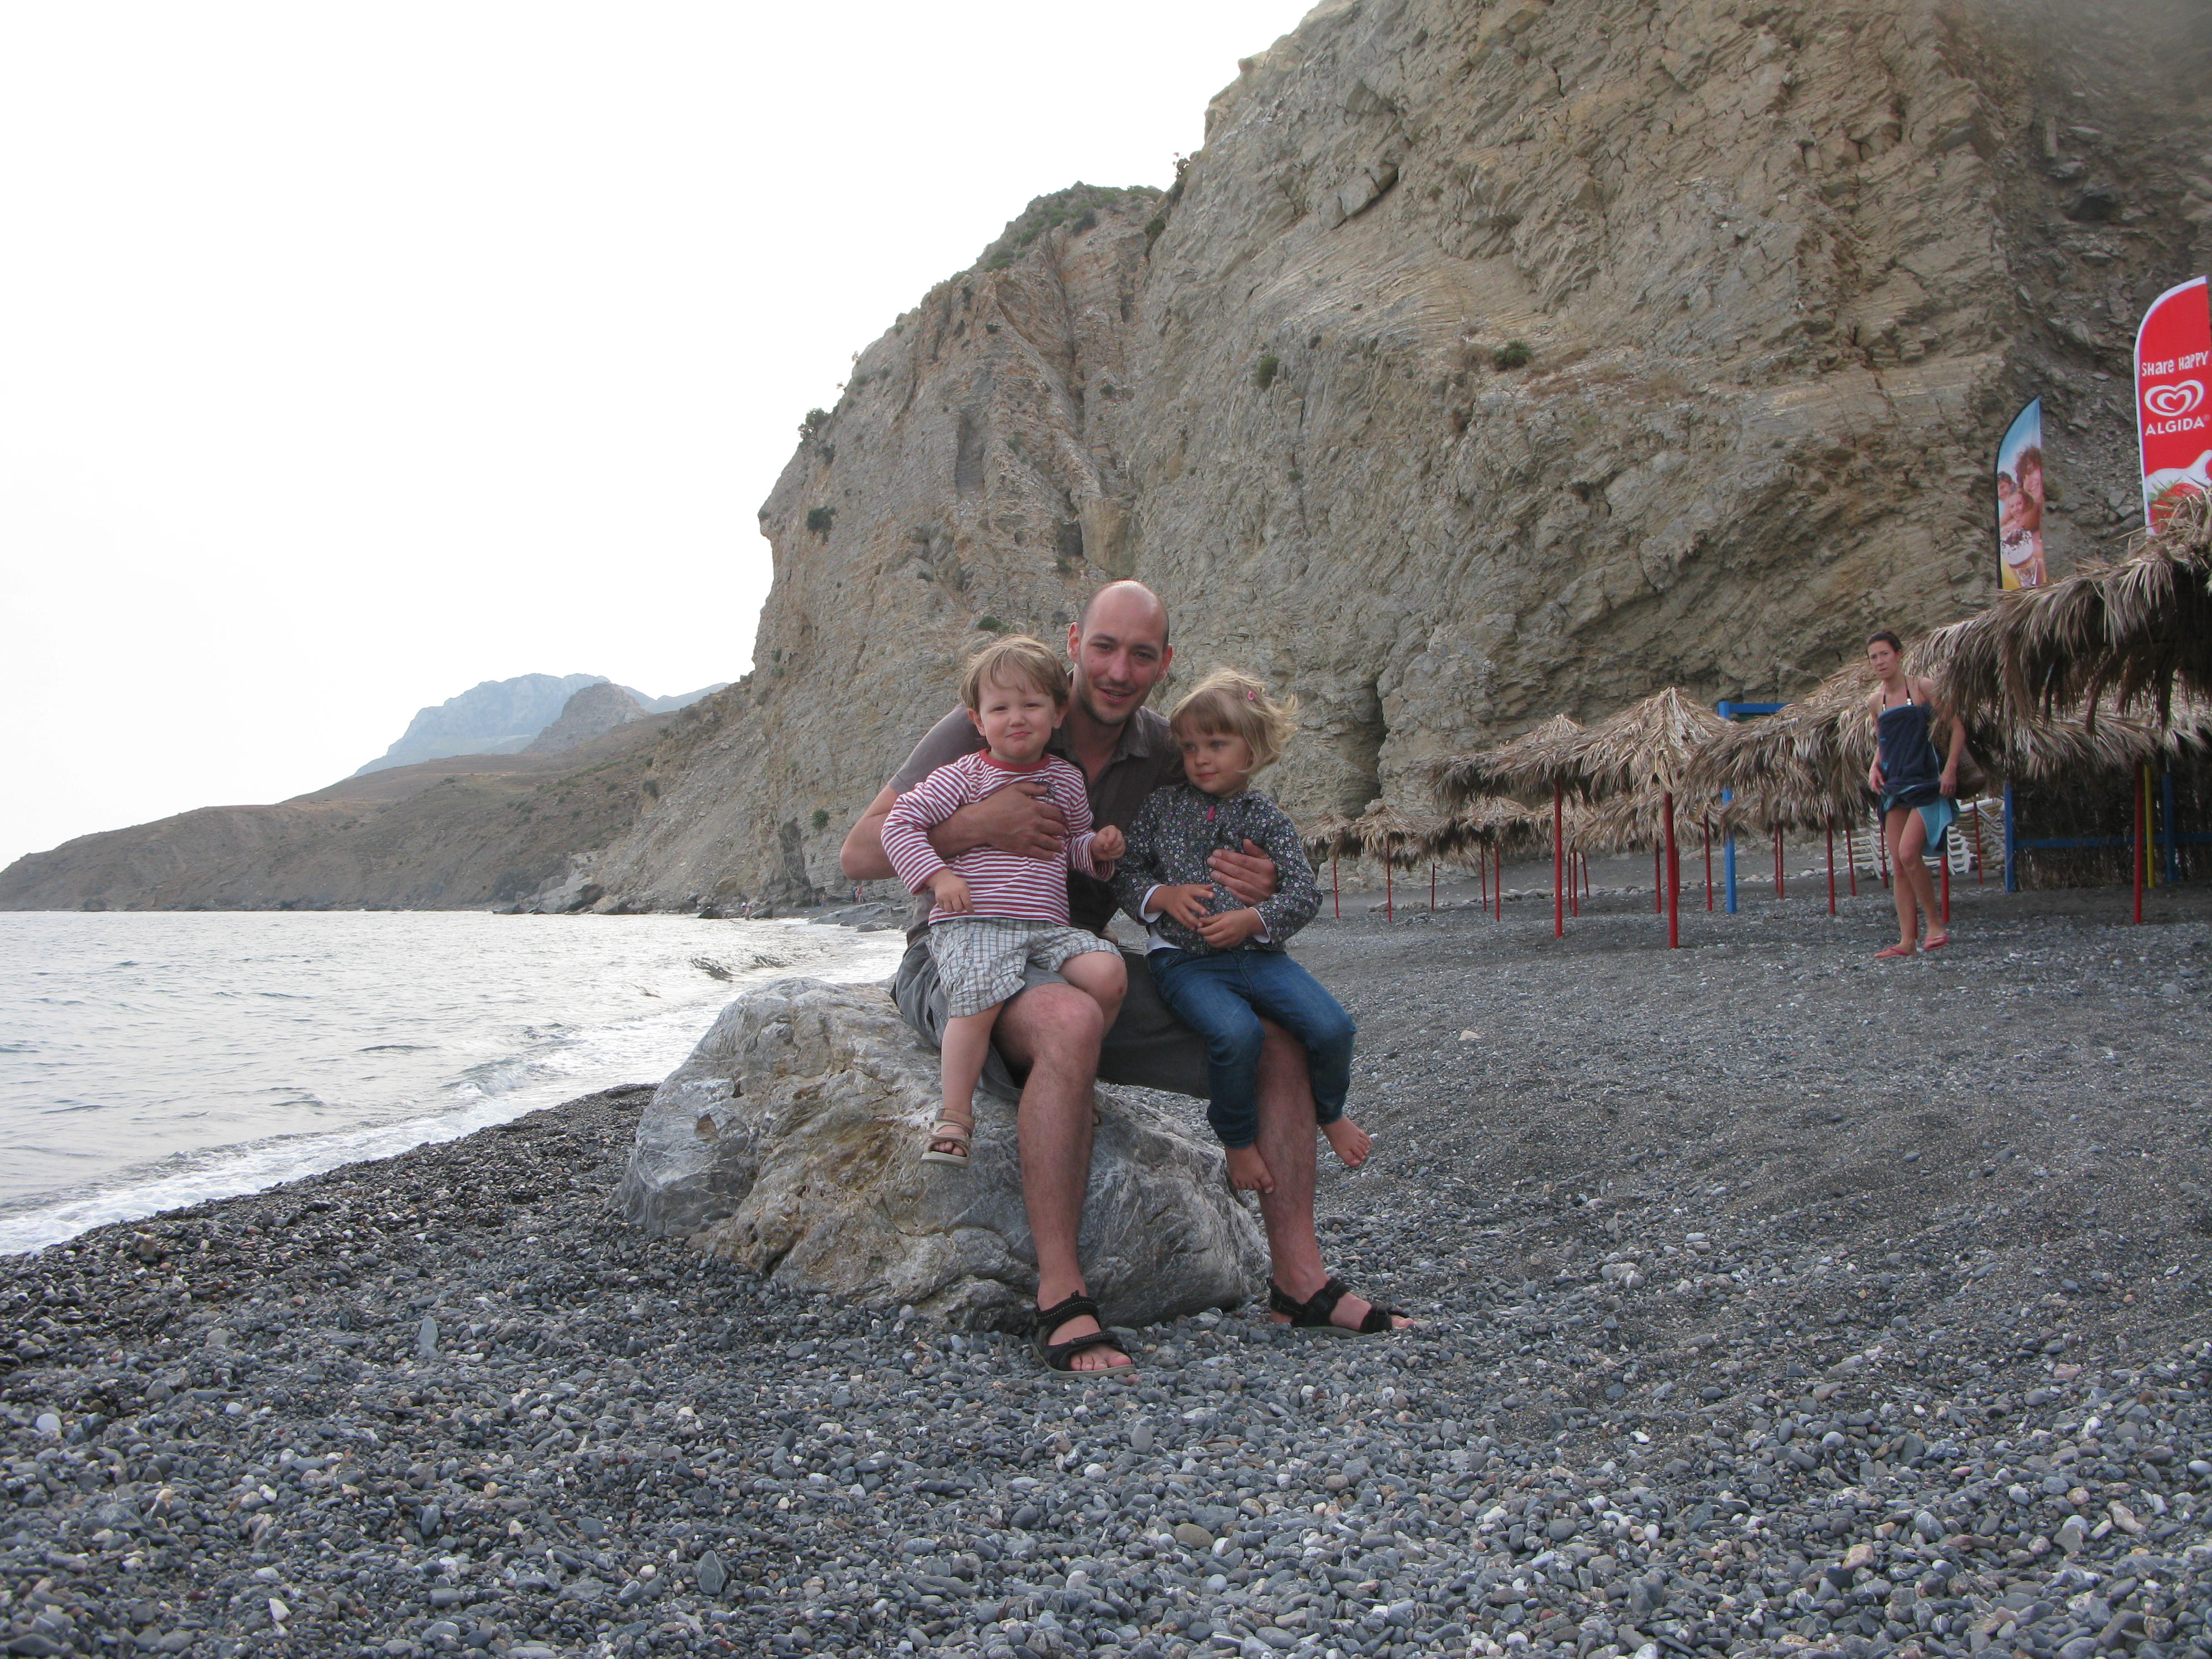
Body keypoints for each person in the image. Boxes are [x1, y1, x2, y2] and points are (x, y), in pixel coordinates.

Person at [839, 581, 1410, 1375]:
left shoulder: (1169, 750)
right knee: (1071, 1019)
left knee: (1278, 1039)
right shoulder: (1002, 711)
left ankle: (1300, 1283)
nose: (1118, 670)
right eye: (1104, 647)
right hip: (956, 954)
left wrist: (1257, 878)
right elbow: (858, 852)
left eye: (1141, 655)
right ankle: (1062, 1295)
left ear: (1164, 663)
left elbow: (1227, 826)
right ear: (1075, 643)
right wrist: (972, 826)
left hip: (1074, 953)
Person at [1112, 669, 1374, 1202]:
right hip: (1183, 960)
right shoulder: (1162, 806)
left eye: (1216, 745)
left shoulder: (1268, 818)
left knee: (1334, 1029)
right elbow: (1125, 872)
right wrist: (1163, 897)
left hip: (1260, 957)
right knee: (1237, 1036)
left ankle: (1330, 1111)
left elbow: (1304, 894)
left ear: (1251, 752)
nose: (1200, 758)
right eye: (1190, 747)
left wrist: (1253, 921)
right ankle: (1236, 1138)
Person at [880, 637, 1128, 1169]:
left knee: (1109, 975)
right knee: (977, 1001)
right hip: (975, 921)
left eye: (1032, 705)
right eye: (1000, 709)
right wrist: (938, 876)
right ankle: (955, 1115)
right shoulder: (963, 776)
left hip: (1045, 927)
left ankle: (1069, 1078)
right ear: (978, 719)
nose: (1017, 718)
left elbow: (1071, 846)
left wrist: (1098, 850)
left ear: (1058, 713)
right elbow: (899, 826)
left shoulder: (1064, 779)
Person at [1864, 629, 1970, 958]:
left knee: (1910, 854)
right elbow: (1884, 741)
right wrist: (1875, 766)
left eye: (1885, 654)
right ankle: (1906, 942)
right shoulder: (1876, 701)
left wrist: (1950, 769)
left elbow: (1957, 728)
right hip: (1895, 786)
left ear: (1898, 654)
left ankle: (1935, 925)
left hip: (1927, 782)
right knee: (1898, 864)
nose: (1880, 662)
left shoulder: (1923, 688)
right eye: (1874, 657)